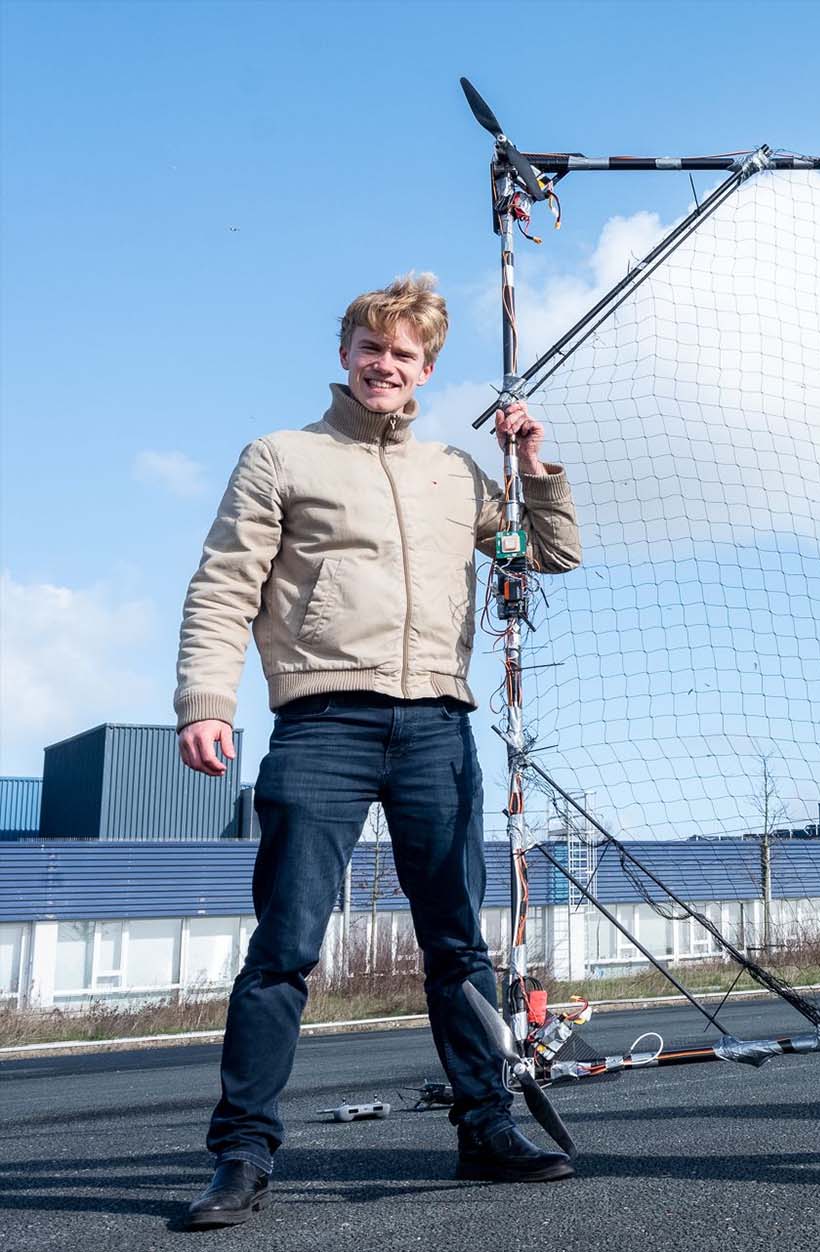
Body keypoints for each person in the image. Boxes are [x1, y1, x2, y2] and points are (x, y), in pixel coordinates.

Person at [173, 273, 585, 1229]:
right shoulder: (282, 457)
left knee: (456, 944)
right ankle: (241, 1155)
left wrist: (532, 463)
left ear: (425, 368)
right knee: (283, 949)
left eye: (404, 354)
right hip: (322, 725)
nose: (385, 365)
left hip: (437, 724)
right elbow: (222, 584)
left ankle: (486, 1129)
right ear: (348, 355)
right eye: (372, 348)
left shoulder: (455, 473)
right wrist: (205, 698)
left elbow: (547, 554)